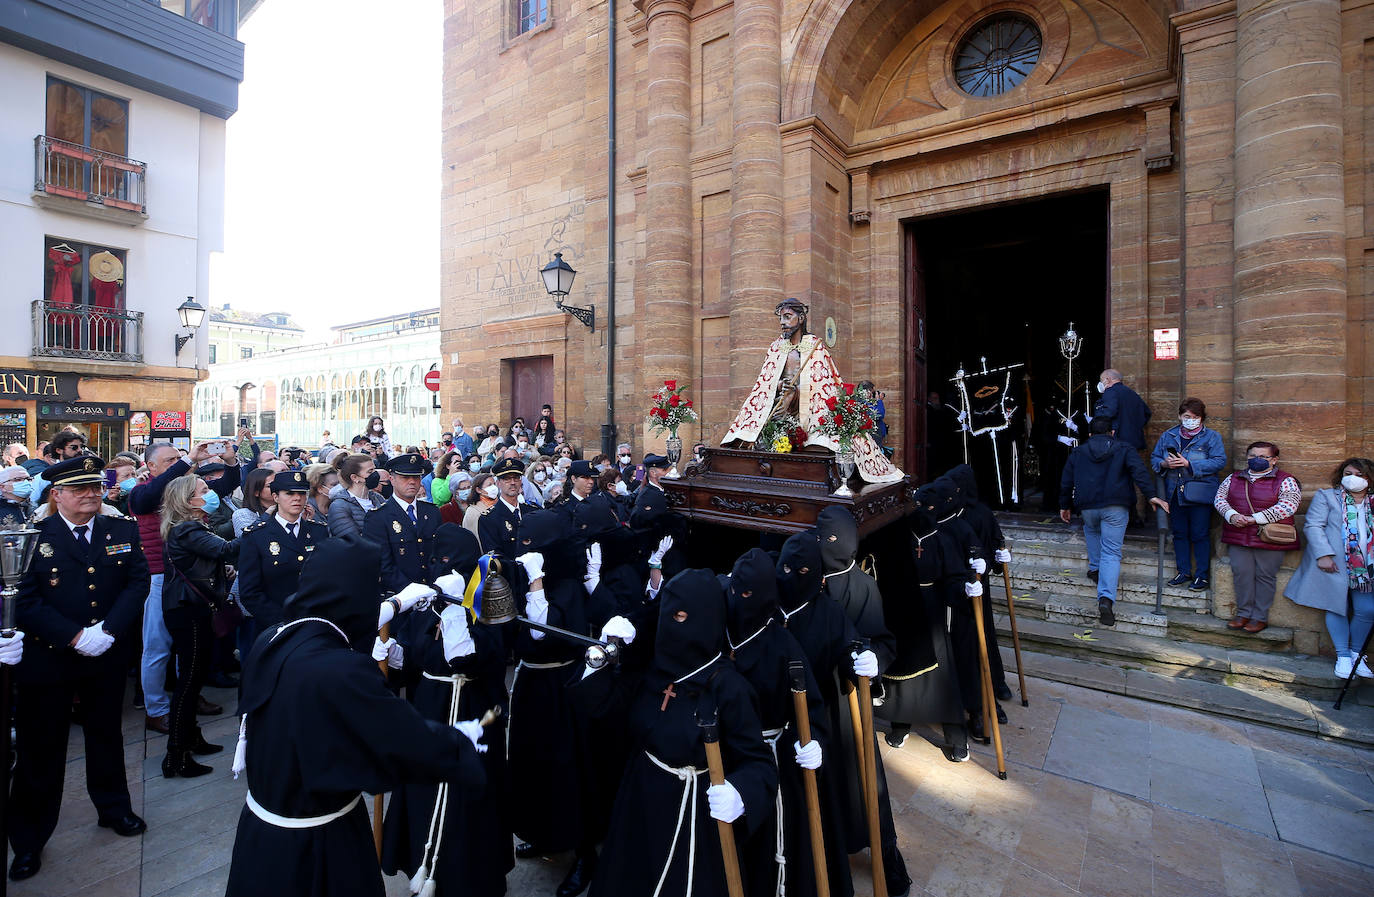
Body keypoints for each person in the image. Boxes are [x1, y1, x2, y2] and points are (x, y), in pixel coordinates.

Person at [223, 536, 485, 897]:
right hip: (319, 848)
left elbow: (334, 627)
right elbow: (404, 742)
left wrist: (397, 604)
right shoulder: (339, 671)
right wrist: (458, 742)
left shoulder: (275, 638)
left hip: (261, 836)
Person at [575, 568, 778, 897]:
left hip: (693, 812)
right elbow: (599, 709)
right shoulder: (653, 668)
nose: (671, 625)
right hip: (639, 800)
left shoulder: (728, 687)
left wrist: (741, 793)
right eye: (668, 614)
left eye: (681, 616)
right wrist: (600, 658)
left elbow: (759, 763)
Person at [11, 455, 149, 881]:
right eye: (79, 489)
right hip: (48, 658)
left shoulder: (119, 529)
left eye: (95, 487)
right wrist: (75, 636)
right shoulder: (35, 536)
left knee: (106, 735)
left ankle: (113, 808)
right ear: (57, 495)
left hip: (105, 653)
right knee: (42, 749)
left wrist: (108, 630)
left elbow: (137, 581)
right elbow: (25, 600)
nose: (91, 495)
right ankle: (29, 840)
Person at [381, 526, 515, 897]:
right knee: (424, 788)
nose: (445, 568)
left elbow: (471, 661)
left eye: (452, 559)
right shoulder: (428, 600)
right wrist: (392, 653)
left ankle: (471, 874)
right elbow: (415, 656)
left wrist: (457, 611)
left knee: (468, 794)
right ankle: (423, 862)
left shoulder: (488, 598)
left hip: (471, 708)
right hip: (429, 706)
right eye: (438, 560)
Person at [724, 548, 840, 897]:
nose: (736, 601)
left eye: (745, 595)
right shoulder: (719, 626)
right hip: (722, 752)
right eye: (733, 591)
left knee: (764, 847)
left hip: (767, 757)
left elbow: (811, 706)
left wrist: (815, 739)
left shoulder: (783, 644)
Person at [723, 297, 901, 484]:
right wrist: (780, 385)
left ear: (801, 319)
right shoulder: (776, 348)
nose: (783, 323)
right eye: (781, 318)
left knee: (797, 402)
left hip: (805, 406)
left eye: (788, 317)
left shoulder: (815, 346)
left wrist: (796, 390)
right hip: (780, 404)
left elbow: (822, 383)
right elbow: (765, 382)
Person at [129, 440, 241, 735]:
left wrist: (230, 460)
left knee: (189, 646)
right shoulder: (143, 492)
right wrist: (188, 459)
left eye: (177, 458)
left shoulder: (187, 491)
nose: (177, 464)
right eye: (169, 461)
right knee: (157, 647)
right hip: (158, 578)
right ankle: (156, 709)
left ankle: (187, 697)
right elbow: (151, 495)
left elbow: (225, 487)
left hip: (191, 578)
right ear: (150, 466)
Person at [159, 475, 238, 777]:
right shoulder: (188, 527)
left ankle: (191, 737)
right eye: (203, 491)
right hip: (187, 610)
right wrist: (266, 526)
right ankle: (176, 754)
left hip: (192, 608)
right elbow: (225, 548)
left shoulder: (191, 526)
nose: (210, 494)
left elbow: (207, 559)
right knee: (189, 681)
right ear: (187, 499)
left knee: (194, 676)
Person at [1059, 417, 1168, 626]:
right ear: (1112, 432)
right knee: (1111, 551)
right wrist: (1151, 495)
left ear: (1090, 435)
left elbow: (1066, 480)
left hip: (1088, 506)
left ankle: (1095, 569)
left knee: (1091, 531)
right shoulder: (1124, 448)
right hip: (1116, 506)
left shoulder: (1078, 452)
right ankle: (1106, 598)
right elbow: (1139, 472)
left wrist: (1065, 505)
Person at [1284, 458, 1374, 677]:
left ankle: (1356, 654)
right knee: (1335, 606)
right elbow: (1314, 525)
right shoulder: (1327, 497)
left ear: (1369, 478)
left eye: (1359, 474)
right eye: (1348, 473)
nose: (1353, 478)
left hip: (1367, 568)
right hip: (1336, 564)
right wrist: (1323, 554)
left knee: (1367, 610)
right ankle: (1343, 657)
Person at [1214, 441, 1302, 633]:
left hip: (1270, 537)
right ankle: (1243, 614)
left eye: (1263, 457)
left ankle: (1259, 617)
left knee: (1265, 577)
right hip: (1238, 534)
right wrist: (1232, 516)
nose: (1257, 459)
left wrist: (1254, 519)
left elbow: (1288, 505)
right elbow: (1220, 498)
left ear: (1274, 460)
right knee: (1241, 574)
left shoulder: (1286, 480)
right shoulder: (1234, 477)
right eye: (1253, 456)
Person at [238, 471, 332, 640]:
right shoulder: (257, 535)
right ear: (275, 497)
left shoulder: (319, 531)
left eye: (301, 494)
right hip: (275, 627)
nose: (297, 498)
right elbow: (250, 592)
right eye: (289, 493)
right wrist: (282, 622)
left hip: (315, 623)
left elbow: (328, 579)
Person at [1150, 398, 1227, 591]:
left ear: (1201, 418)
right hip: (1175, 491)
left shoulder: (1211, 437)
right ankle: (1183, 571)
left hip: (1199, 492)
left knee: (1200, 534)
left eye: (1195, 417)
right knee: (1179, 533)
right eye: (1187, 416)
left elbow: (1219, 461)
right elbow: (1154, 458)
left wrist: (1189, 464)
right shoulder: (1169, 435)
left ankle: (1202, 575)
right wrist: (1164, 464)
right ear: (1179, 416)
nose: (1191, 420)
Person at [364, 453, 441, 593]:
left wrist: (435, 587)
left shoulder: (432, 512)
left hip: (434, 593)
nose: (412, 482)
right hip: (401, 597)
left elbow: (439, 554)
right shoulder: (378, 517)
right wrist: (414, 592)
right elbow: (383, 566)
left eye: (416, 477)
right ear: (392, 480)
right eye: (405, 477)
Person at [1092, 368, 1152, 451]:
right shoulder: (1132, 393)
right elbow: (1147, 413)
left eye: (1101, 380)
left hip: (1117, 440)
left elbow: (1108, 413)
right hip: (1135, 441)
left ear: (1107, 380)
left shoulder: (1110, 391)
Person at [327, 453, 384, 538]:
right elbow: (352, 540)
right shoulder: (339, 506)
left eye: (374, 470)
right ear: (355, 478)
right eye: (370, 471)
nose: (375, 474)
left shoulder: (378, 498)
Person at [478, 458, 525, 559]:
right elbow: (495, 558)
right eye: (507, 479)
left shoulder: (531, 510)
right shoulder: (489, 519)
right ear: (498, 483)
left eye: (516, 478)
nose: (512, 482)